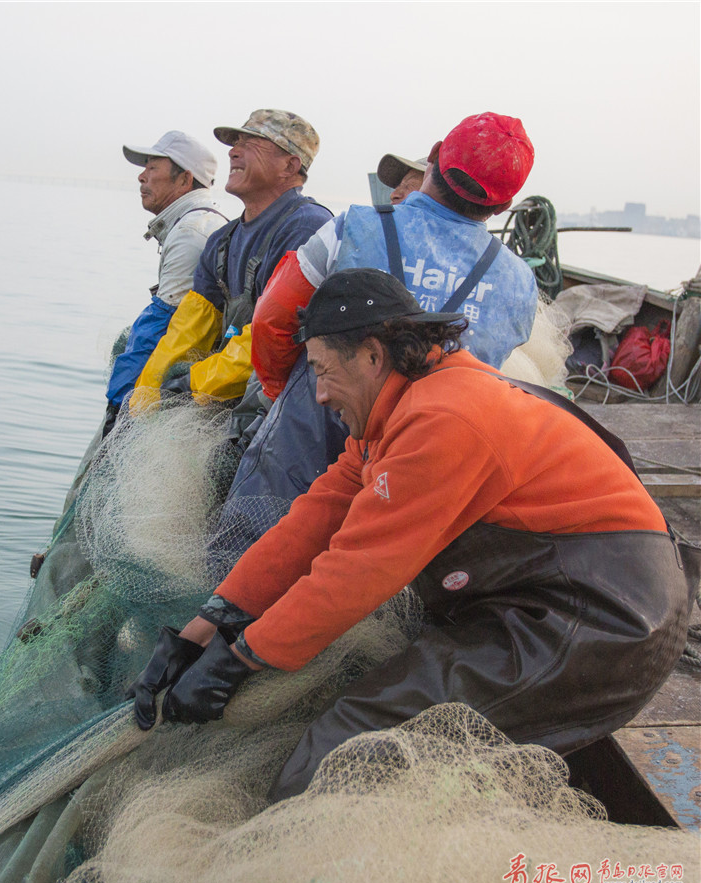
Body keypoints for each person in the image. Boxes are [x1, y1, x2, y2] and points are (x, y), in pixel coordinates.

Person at [126, 267, 697, 802]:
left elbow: (356, 571)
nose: (319, 394)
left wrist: (242, 658)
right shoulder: (396, 410)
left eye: (323, 371)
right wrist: (213, 619)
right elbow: (315, 519)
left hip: (601, 619)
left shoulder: (442, 418)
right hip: (533, 595)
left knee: (354, 739)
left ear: (372, 356)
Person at [207, 113, 539, 565]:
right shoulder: (519, 281)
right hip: (428, 448)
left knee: (249, 557)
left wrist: (281, 393)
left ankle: (222, 621)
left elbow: (271, 318)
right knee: (371, 574)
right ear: (503, 206)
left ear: (437, 157)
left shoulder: (352, 228)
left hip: (318, 421)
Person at [129, 109, 332, 440]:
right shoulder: (221, 242)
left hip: (284, 411)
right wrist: (144, 399)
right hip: (229, 400)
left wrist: (191, 383)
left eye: (252, 143)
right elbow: (186, 333)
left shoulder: (307, 227)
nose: (233, 151)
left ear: (290, 166)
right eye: (235, 142)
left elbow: (270, 337)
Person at [103, 131, 227, 435]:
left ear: (185, 180)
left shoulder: (191, 233)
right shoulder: (200, 222)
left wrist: (121, 404)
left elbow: (163, 327)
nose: (141, 177)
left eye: (152, 168)